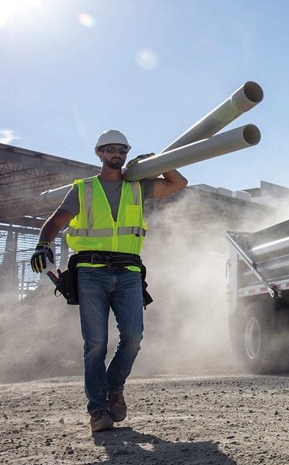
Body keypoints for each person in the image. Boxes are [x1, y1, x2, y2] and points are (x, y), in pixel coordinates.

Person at [30, 130, 187, 432]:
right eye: (110, 149)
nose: (117, 154)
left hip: (128, 273)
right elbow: (55, 221)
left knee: (133, 337)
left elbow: (178, 183)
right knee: (96, 344)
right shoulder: (84, 189)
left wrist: (158, 161)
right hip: (91, 273)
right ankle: (98, 410)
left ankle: (115, 388)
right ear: (99, 153)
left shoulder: (138, 187)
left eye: (122, 150)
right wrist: (42, 244)